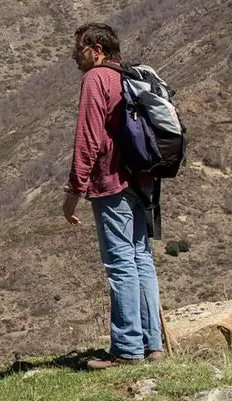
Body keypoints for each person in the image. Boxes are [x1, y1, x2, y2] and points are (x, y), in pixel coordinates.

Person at [61, 23, 163, 368]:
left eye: (79, 49)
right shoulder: (127, 76)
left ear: (97, 50)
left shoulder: (95, 80)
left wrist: (74, 190)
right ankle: (153, 345)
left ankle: (127, 349)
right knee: (141, 261)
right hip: (141, 181)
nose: (75, 56)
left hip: (112, 183)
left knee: (120, 265)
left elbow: (88, 139)